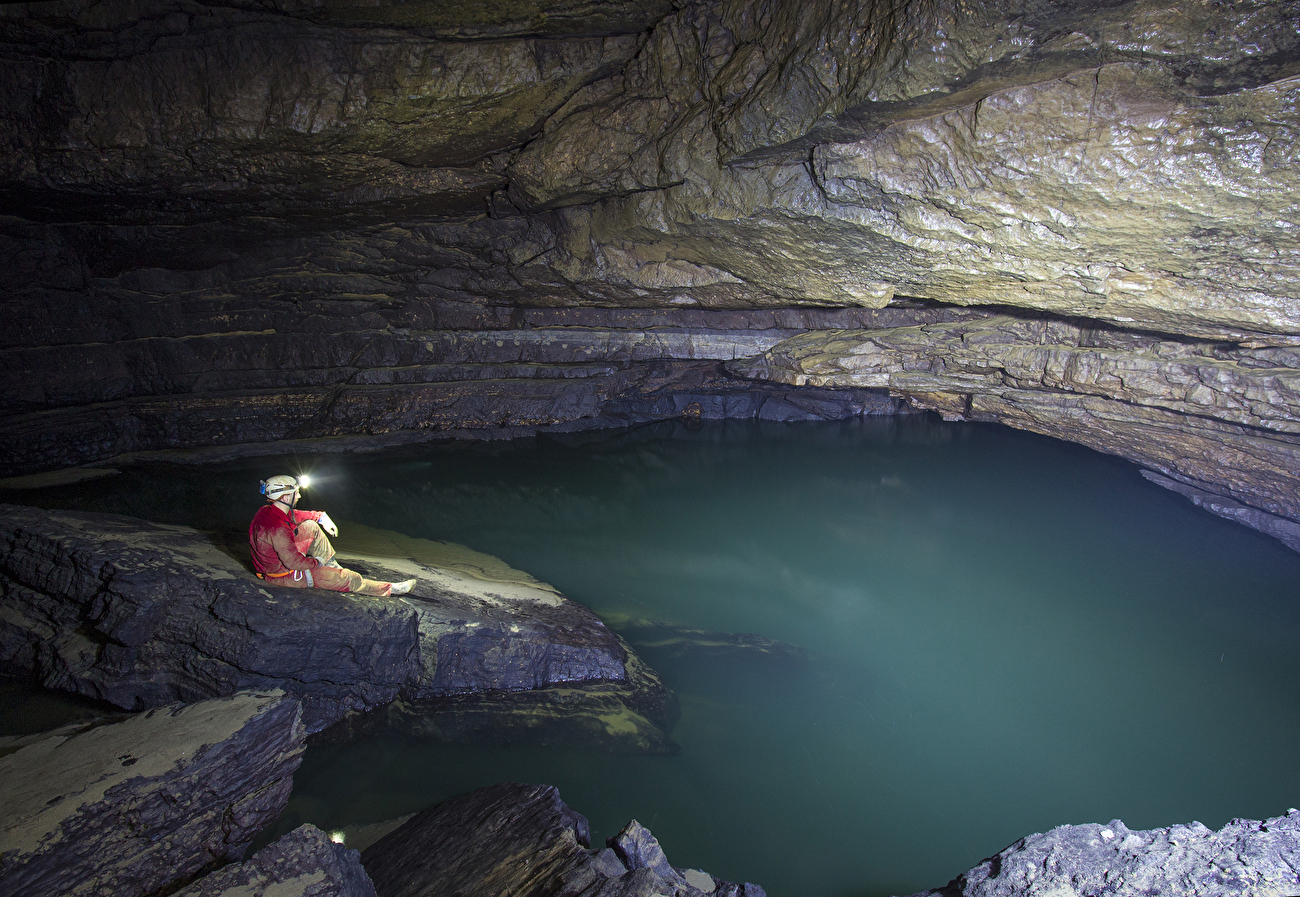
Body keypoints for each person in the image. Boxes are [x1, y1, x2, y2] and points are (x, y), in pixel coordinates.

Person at [249, 474, 415, 597]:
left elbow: (297, 516)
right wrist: (316, 562)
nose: (299, 496)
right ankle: (390, 589)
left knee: (311, 526)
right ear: (285, 497)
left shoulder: (268, 511)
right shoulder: (278, 529)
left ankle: (331, 565)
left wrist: (321, 517)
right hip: (286, 576)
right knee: (350, 578)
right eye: (296, 493)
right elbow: (293, 562)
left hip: (279, 562)